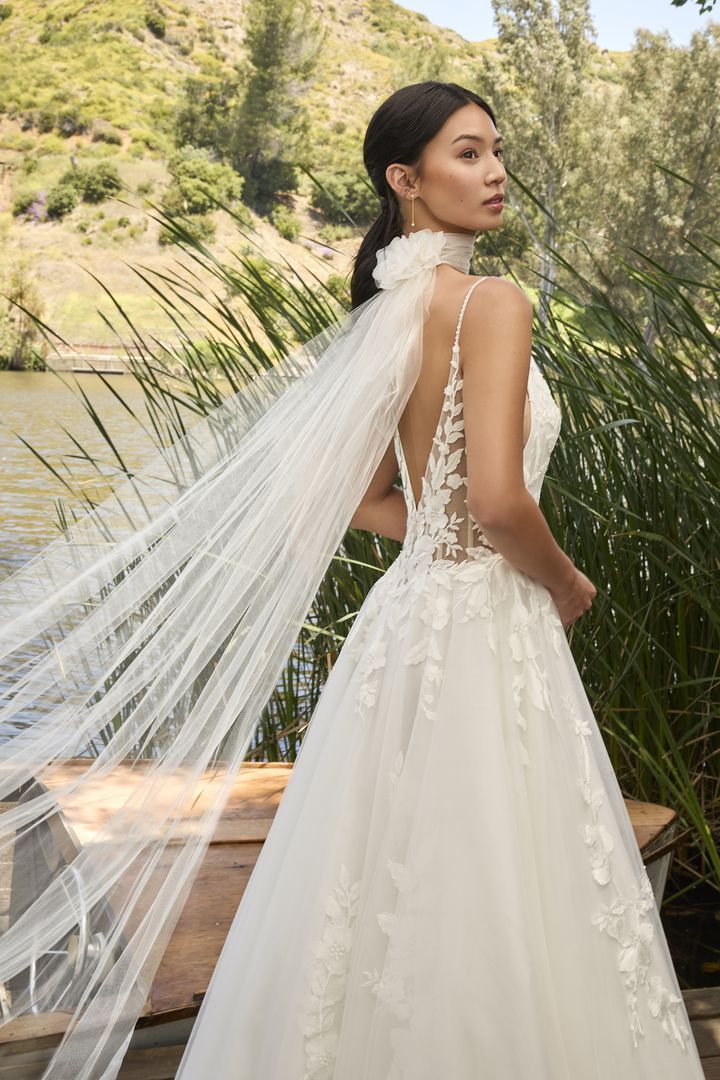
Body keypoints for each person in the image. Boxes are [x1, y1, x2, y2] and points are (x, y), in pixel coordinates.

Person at [0, 82, 706, 1079]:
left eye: (497, 150)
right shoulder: (491, 304)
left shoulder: (396, 309)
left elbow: (353, 496)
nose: (496, 169)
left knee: (374, 875)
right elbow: (501, 501)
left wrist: (441, 541)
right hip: (482, 624)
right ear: (404, 179)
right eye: (468, 153)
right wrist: (566, 581)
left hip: (410, 616)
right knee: (491, 872)